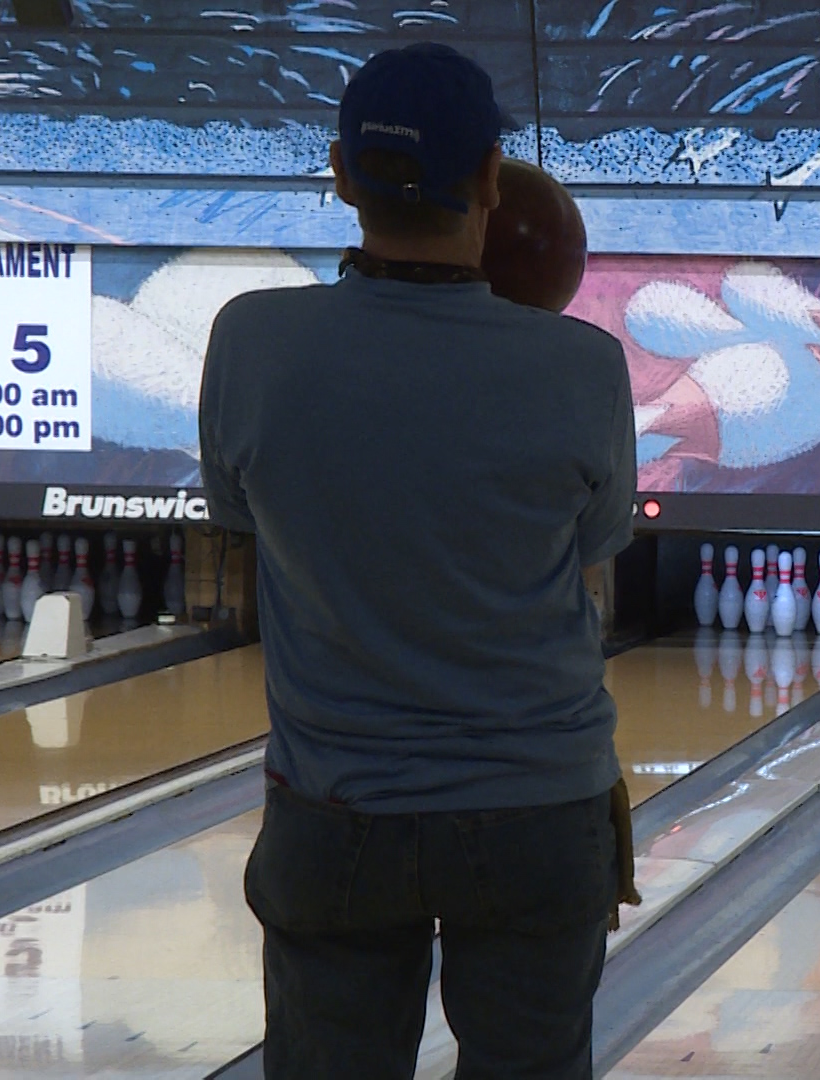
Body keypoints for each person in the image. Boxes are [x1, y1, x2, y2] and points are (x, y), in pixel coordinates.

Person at [197, 43, 636, 1080]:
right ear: (489, 177)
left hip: (334, 814)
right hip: (540, 808)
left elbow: (241, 517)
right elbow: (591, 546)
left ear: (341, 174)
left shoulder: (250, 341)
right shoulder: (584, 366)